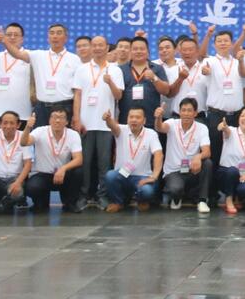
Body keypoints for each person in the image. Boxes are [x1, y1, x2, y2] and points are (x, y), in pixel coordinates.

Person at [72, 35, 123, 209]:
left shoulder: (115, 70)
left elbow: (119, 96)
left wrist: (110, 83)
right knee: (85, 163)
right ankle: (84, 195)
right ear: (90, 48)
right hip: (85, 122)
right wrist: (76, 118)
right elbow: (77, 95)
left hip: (105, 124)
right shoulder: (82, 69)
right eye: (94, 45)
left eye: (101, 45)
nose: (97, 48)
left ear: (107, 47)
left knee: (104, 163)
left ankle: (103, 195)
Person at [0, 23, 76, 127]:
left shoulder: (75, 59)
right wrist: (5, 42)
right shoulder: (38, 55)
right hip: (41, 108)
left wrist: (76, 115)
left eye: (59, 33)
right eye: (52, 33)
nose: (55, 36)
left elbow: (78, 91)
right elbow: (17, 54)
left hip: (65, 107)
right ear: (48, 38)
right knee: (38, 136)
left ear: (66, 38)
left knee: (63, 137)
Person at [201, 28, 245, 187]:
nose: (222, 43)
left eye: (226, 40)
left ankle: (233, 190)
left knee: (236, 152)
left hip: (237, 116)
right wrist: (206, 71)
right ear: (214, 44)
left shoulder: (239, 62)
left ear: (232, 43)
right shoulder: (209, 62)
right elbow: (204, 71)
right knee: (216, 152)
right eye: (219, 41)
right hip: (216, 115)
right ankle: (213, 191)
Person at [20, 106, 84, 213]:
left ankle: (70, 203)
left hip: (63, 175)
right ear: (49, 120)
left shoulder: (73, 135)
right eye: (54, 117)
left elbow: (79, 159)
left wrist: (63, 169)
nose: (57, 120)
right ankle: (40, 203)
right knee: (33, 187)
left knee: (78, 172)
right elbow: (24, 142)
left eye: (61, 117)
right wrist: (27, 127)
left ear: (67, 122)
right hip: (43, 175)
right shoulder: (40, 131)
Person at [155, 99, 213, 214]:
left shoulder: (202, 128)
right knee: (175, 189)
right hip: (174, 171)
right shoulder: (172, 123)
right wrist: (158, 118)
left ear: (195, 113)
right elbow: (160, 128)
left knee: (207, 163)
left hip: (193, 169)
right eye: (183, 110)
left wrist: (198, 157)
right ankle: (177, 198)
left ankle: (202, 200)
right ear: (179, 112)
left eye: (189, 110)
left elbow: (207, 152)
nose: (186, 113)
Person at [101, 106, 163, 212]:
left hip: (142, 176)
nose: (134, 120)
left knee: (147, 191)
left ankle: (142, 201)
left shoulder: (151, 134)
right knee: (110, 176)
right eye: (131, 117)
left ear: (144, 120)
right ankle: (118, 202)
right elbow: (112, 126)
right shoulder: (121, 130)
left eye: (138, 117)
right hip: (123, 174)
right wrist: (108, 119)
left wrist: (154, 176)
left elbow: (158, 154)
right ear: (127, 119)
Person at [0, 110, 33, 217]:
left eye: (12, 123)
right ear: (0, 124)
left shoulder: (23, 137)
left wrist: (18, 182)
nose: (8, 126)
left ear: (18, 125)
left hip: (13, 179)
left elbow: (28, 164)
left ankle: (5, 201)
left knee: (18, 194)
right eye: (5, 123)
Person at [120, 36, 169, 128]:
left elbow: (166, 91)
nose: (138, 51)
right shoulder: (121, 69)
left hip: (151, 120)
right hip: (126, 121)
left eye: (142, 49)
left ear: (148, 51)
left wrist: (154, 78)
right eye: (135, 49)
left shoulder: (157, 68)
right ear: (130, 51)